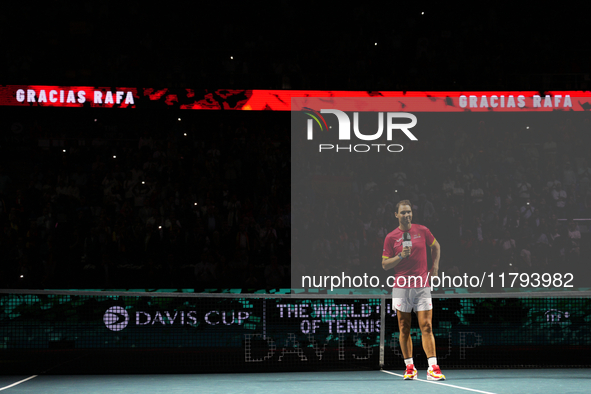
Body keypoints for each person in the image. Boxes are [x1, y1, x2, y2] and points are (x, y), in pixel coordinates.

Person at [381, 200, 445, 381]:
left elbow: (436, 246)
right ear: (396, 215)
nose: (406, 215)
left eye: (409, 212)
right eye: (403, 213)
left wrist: (435, 267)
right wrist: (401, 255)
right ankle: (410, 367)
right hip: (401, 287)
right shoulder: (391, 237)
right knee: (404, 327)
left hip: (422, 285)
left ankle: (433, 367)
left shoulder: (422, 231)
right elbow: (385, 264)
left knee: (427, 325)